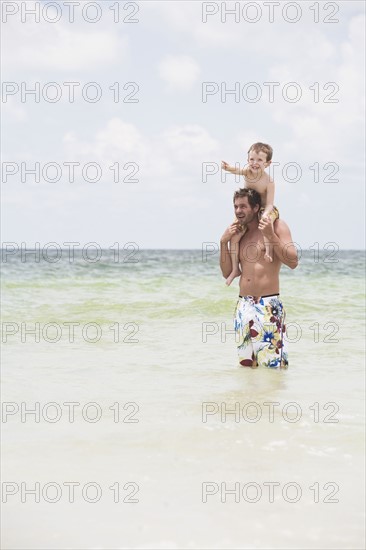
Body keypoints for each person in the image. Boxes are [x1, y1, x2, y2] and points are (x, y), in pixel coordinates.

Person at [220, 188, 298, 369]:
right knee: (246, 366)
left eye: (243, 206)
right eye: (236, 207)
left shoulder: (277, 226)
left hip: (268, 305)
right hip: (242, 307)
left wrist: (270, 235)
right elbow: (227, 272)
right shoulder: (239, 233)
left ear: (256, 208)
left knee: (273, 368)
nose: (238, 211)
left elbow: (293, 261)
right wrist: (223, 242)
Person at [222, 142, 278, 286]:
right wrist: (228, 168)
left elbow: (270, 203)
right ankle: (235, 269)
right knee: (234, 236)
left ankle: (268, 252)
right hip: (249, 210)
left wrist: (265, 213)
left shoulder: (269, 182)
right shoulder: (247, 171)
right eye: (252, 159)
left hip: (266, 208)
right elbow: (238, 170)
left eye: (259, 160)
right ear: (248, 160)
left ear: (268, 163)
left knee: (265, 221)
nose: (255, 163)